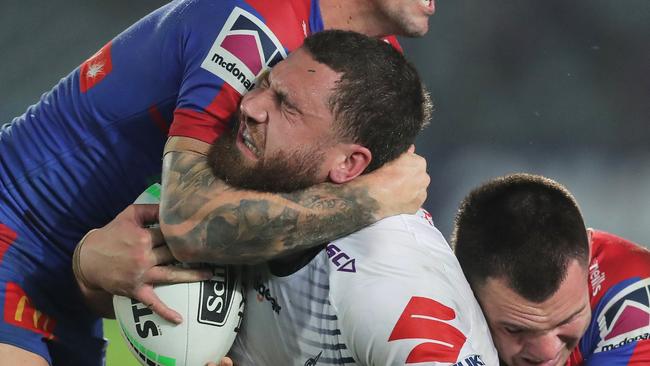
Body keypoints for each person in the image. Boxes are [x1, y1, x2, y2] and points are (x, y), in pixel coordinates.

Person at [0, 1, 435, 365]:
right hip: (16, 233)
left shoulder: (372, 70)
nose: (257, 105)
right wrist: (370, 198)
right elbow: (188, 224)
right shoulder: (252, 20)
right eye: (267, 87)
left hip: (92, 276)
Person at [144, 29, 495, 365]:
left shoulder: (390, 282)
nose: (250, 105)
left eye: (287, 106)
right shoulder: (237, 190)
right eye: (265, 83)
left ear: (348, 163)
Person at [452, 173, 650, 366]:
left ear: (588, 257)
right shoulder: (439, 304)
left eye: (569, 318)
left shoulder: (633, 293)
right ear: (467, 290)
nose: (546, 353)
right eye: (514, 329)